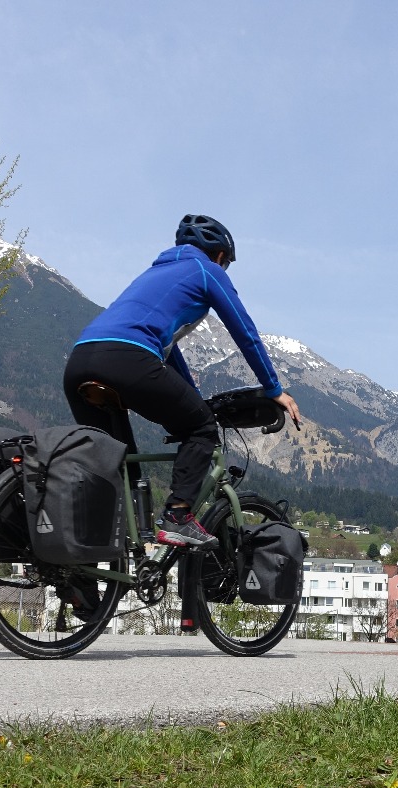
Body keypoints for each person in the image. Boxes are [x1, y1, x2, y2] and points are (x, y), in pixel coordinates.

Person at [64, 214, 302, 548]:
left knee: (116, 466)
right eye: (227, 263)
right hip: (127, 358)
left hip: (79, 361)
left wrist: (190, 396)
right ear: (219, 255)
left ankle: (88, 584)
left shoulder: (153, 274)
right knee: (202, 427)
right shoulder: (208, 270)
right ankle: (177, 515)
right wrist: (274, 388)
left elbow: (166, 349)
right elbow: (244, 333)